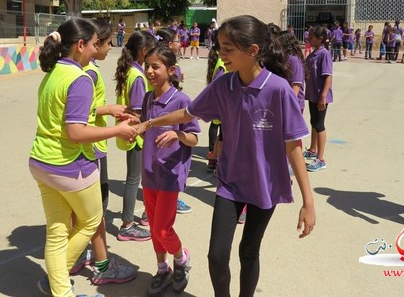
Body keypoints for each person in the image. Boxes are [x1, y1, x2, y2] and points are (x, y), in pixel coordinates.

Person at [134, 15, 315, 297]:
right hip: (230, 182)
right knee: (216, 256)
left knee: (248, 252)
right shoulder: (223, 85)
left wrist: (308, 202)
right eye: (220, 47)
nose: (221, 54)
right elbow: (188, 113)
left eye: (228, 49)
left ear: (253, 50)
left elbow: (294, 146)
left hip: (265, 185)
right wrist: (150, 123)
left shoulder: (278, 89)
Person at [29, 18, 137, 296]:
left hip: (41, 162)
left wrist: (108, 113)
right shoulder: (79, 78)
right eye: (93, 44)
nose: (96, 49)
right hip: (69, 165)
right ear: (80, 45)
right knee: (90, 221)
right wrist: (118, 130)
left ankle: (60, 290)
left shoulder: (52, 73)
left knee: (57, 231)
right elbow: (75, 132)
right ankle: (58, 279)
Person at [70, 19, 139, 285]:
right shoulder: (86, 73)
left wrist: (108, 108)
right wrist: (109, 112)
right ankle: (99, 262)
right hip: (90, 147)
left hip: (89, 145)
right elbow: (80, 114)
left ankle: (84, 254)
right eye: (106, 42)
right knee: (94, 209)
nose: (110, 47)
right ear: (91, 43)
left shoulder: (83, 69)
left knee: (87, 209)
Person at [140, 45, 200, 296]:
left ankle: (181, 258)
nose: (150, 71)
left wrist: (177, 134)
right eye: (147, 66)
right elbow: (145, 127)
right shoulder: (147, 98)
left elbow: (195, 137)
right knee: (154, 227)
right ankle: (162, 268)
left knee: (163, 228)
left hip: (170, 174)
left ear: (171, 70)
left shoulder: (182, 101)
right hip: (149, 172)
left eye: (156, 66)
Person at [114, 30, 157, 241]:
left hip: (128, 130)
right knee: (134, 179)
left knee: (135, 177)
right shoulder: (138, 76)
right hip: (135, 134)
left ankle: (138, 217)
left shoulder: (129, 70)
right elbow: (139, 112)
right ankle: (127, 224)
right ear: (143, 51)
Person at [156, 27, 193, 215]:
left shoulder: (165, 64)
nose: (179, 44)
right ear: (170, 44)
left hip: (172, 121)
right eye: (177, 40)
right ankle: (163, 204)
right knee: (168, 161)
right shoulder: (168, 67)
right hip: (170, 118)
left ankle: (170, 199)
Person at [304, 26, 333, 172]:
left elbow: (328, 76)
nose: (309, 38)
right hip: (312, 94)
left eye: (312, 37)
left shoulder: (324, 54)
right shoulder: (313, 54)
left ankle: (320, 159)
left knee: (320, 124)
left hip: (320, 96)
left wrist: (323, 96)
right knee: (313, 122)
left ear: (320, 39)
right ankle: (312, 149)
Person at [205, 30, 226, 171]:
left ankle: (213, 158)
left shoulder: (219, 59)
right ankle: (214, 158)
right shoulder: (222, 63)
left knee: (220, 132)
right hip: (223, 104)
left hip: (221, 103)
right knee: (223, 135)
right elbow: (217, 85)